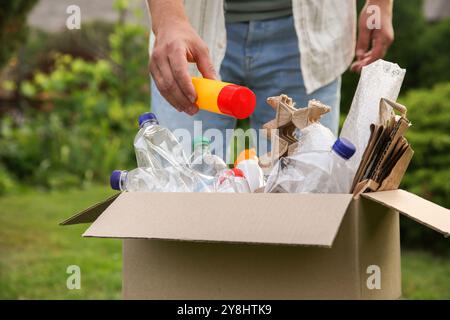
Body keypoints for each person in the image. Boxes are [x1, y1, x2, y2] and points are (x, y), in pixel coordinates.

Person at [145, 0, 394, 157]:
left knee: (303, 205)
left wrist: (379, 4)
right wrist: (169, 19)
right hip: (191, 33)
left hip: (310, 37)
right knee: (180, 196)